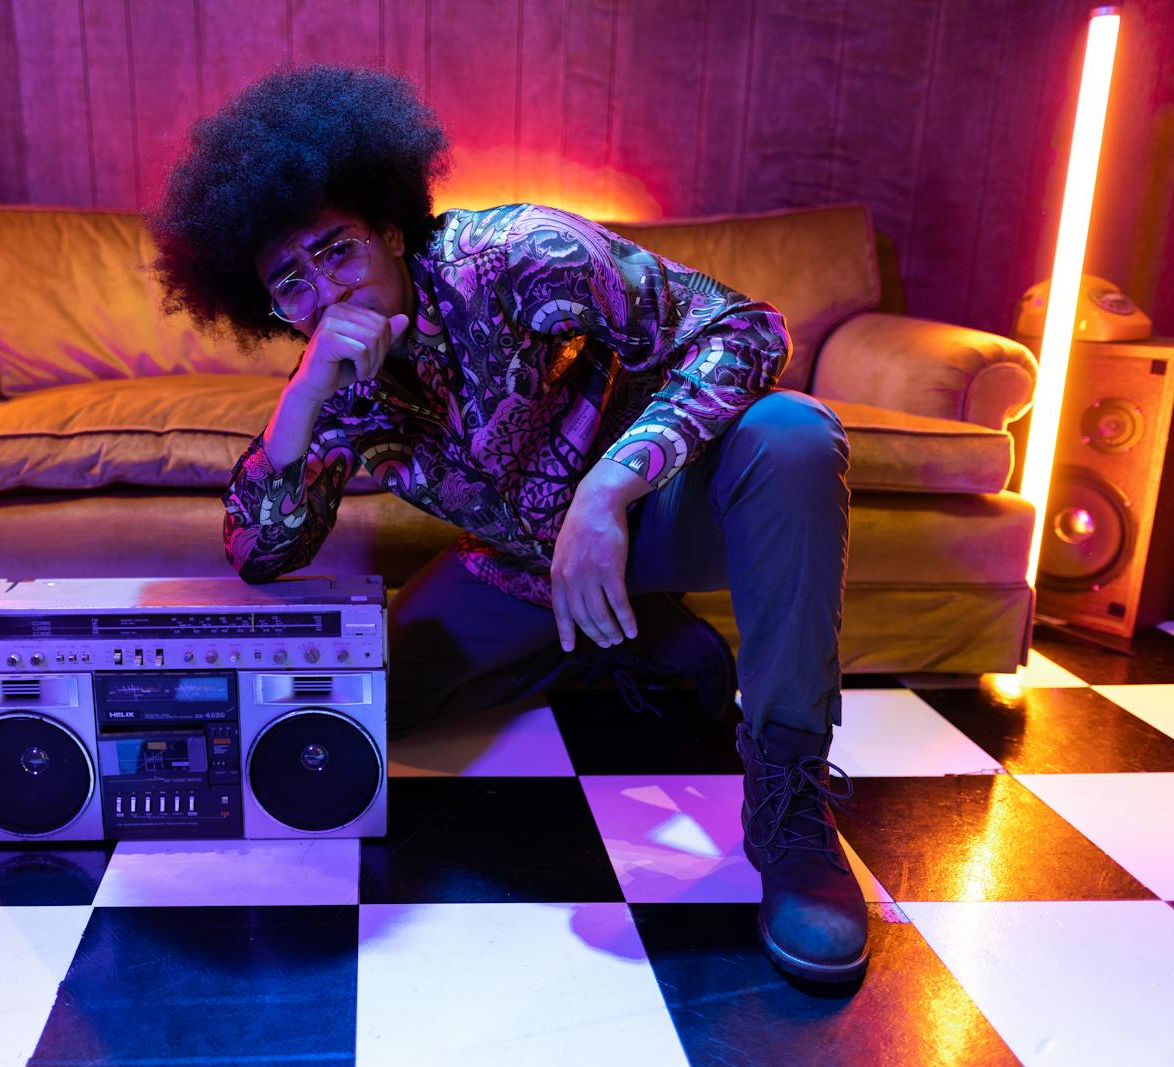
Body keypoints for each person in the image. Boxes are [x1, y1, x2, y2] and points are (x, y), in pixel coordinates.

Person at [150, 65, 866, 985]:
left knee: (794, 436)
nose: (324, 292)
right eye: (289, 281)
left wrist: (609, 488)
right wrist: (298, 404)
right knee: (375, 704)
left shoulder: (522, 251)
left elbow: (749, 332)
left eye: (336, 251)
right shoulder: (332, 383)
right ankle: (639, 638)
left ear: (392, 229)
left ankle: (789, 800)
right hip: (518, 565)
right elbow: (258, 552)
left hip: (651, 513)